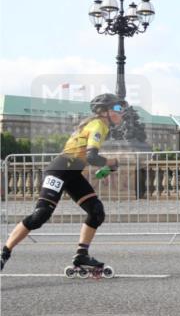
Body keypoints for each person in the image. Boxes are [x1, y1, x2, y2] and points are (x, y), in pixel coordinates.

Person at [0, 93, 124, 273]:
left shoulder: (99, 125)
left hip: (72, 173)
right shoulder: (98, 124)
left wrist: (105, 167)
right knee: (40, 215)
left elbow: (85, 157)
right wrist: (111, 162)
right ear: (105, 111)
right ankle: (4, 253)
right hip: (59, 170)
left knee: (96, 211)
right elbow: (92, 156)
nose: (122, 112)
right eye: (118, 108)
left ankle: (81, 255)